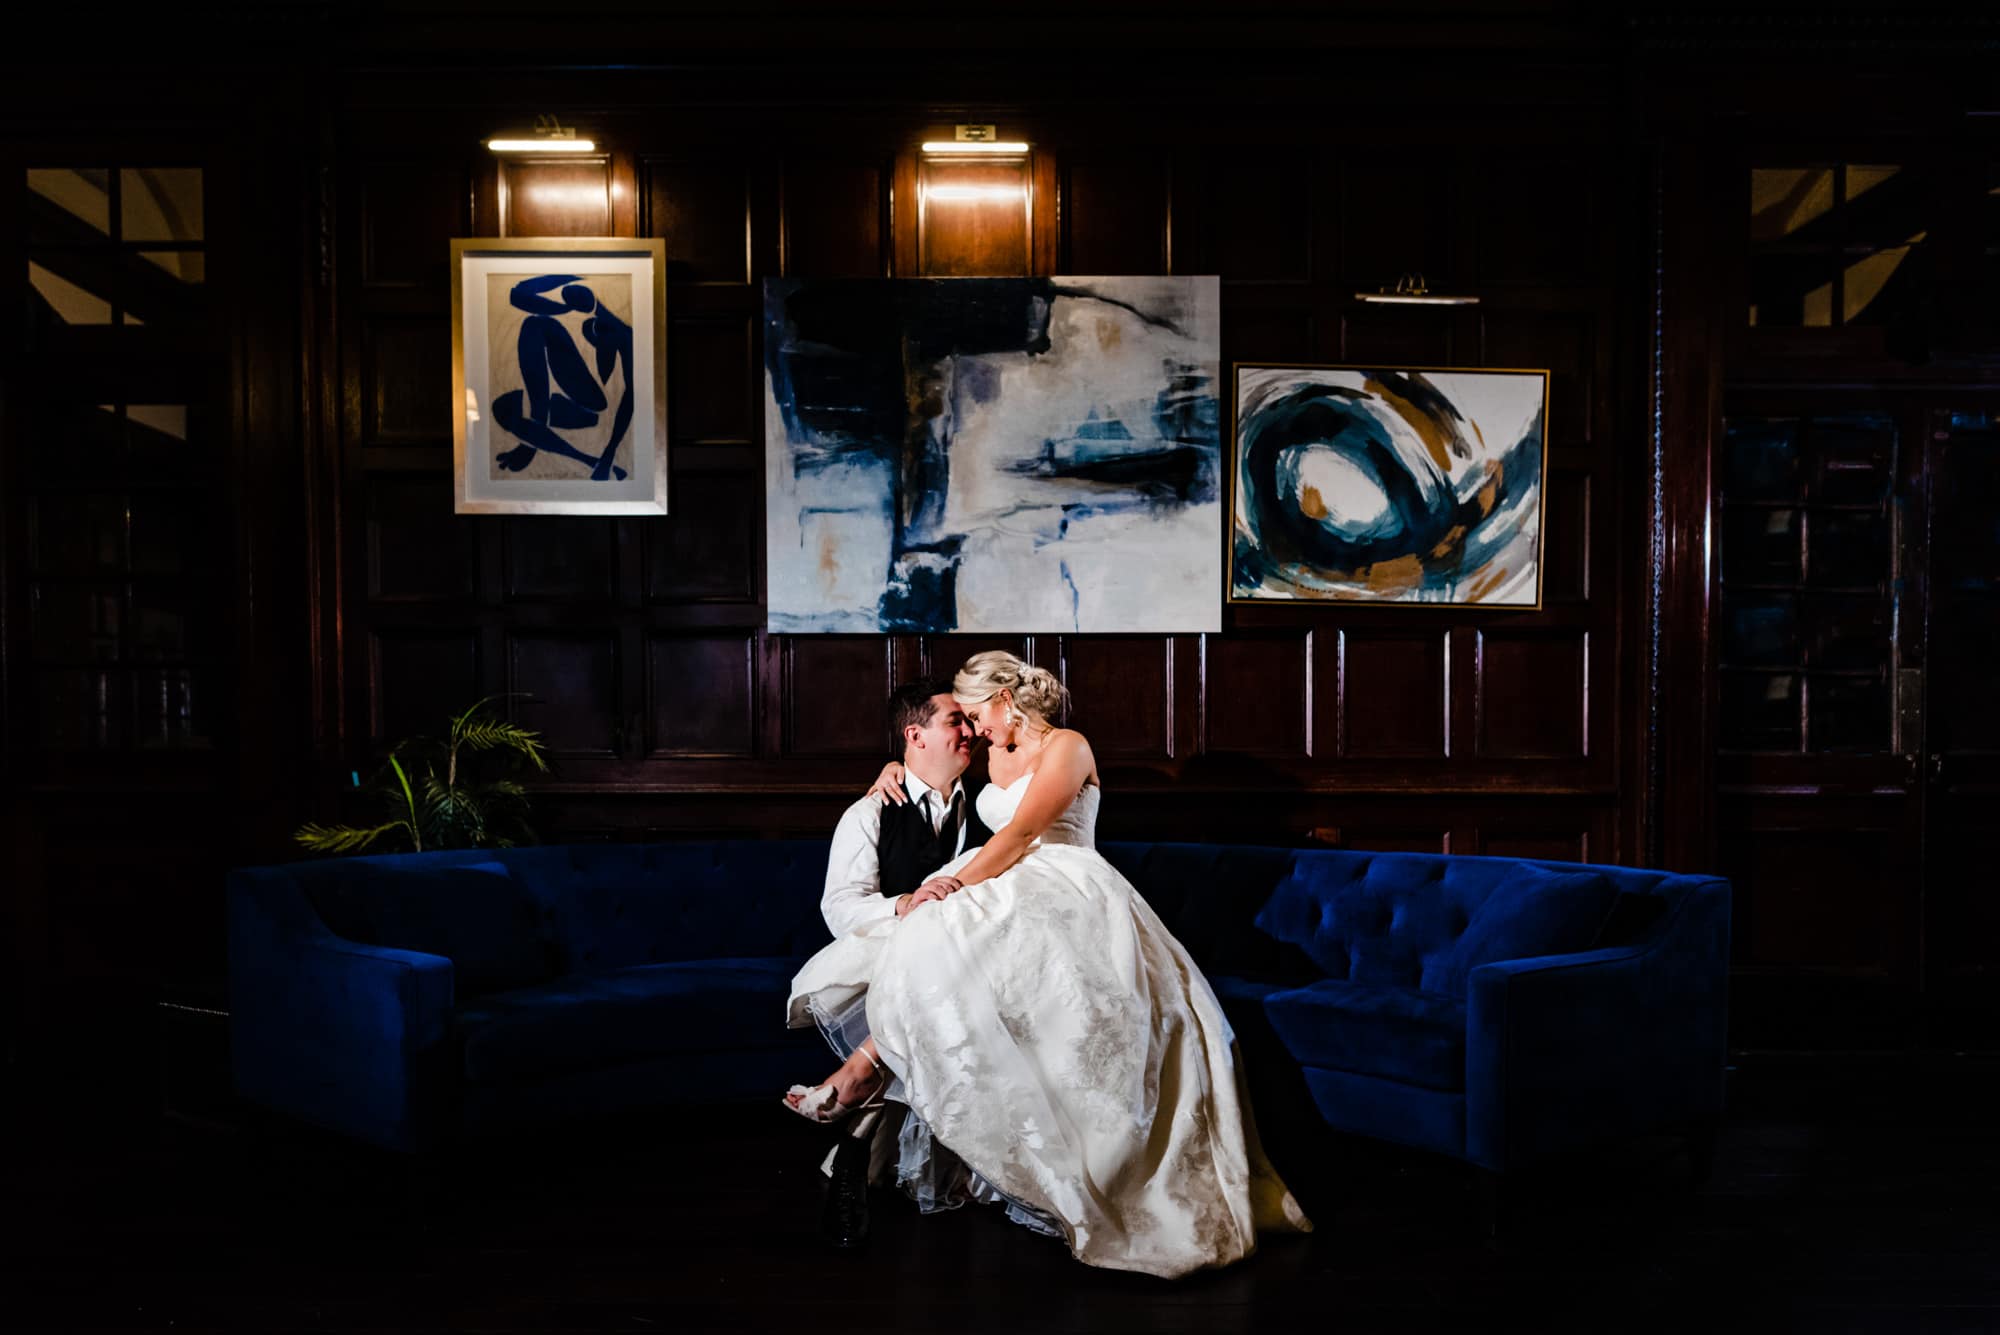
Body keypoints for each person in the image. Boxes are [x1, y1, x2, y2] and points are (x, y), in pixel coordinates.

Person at [784, 651, 1310, 1279]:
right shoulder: (981, 757)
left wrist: (953, 888)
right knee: (939, 958)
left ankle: (860, 1074)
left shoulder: (1067, 746)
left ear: (1007, 700)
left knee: (959, 945)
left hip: (1068, 887)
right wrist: (895, 766)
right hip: (1009, 888)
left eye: (977, 715)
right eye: (964, 722)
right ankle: (864, 1081)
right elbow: (934, 764)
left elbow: (1019, 835)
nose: (973, 731)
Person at [819, 678, 990, 939]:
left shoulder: (990, 801)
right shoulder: (868, 814)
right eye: (955, 722)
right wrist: (904, 904)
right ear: (915, 735)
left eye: (969, 720)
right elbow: (839, 909)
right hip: (894, 949)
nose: (971, 731)